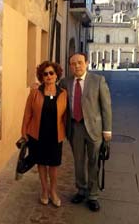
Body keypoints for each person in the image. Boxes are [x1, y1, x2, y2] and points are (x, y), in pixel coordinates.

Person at [59, 52, 112, 212]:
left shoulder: (98, 80)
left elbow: (106, 106)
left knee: (94, 162)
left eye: (80, 63)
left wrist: (107, 130)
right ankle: (81, 190)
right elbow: (53, 95)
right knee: (78, 162)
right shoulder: (65, 82)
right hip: (75, 127)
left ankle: (93, 195)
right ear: (70, 66)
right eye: (73, 63)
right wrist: (38, 87)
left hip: (94, 129)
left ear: (87, 63)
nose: (77, 66)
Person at [21, 61, 67, 207]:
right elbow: (27, 113)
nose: (48, 76)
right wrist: (24, 132)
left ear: (56, 75)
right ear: (41, 76)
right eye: (45, 74)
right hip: (37, 135)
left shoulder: (63, 94)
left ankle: (53, 192)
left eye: (51, 73)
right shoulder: (35, 92)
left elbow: (66, 116)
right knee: (41, 163)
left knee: (53, 165)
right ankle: (44, 191)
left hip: (55, 135)